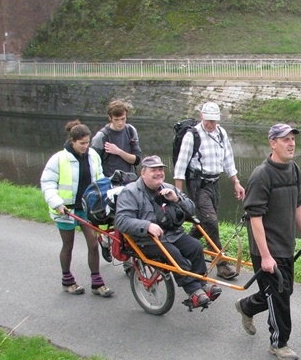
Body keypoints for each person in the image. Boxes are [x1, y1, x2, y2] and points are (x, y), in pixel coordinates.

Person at [235, 124, 301, 360]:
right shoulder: (262, 176)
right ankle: (279, 343)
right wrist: (266, 255)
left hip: (285, 243)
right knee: (279, 297)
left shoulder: (294, 169)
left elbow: (298, 205)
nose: (291, 143)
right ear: (272, 143)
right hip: (267, 248)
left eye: (293, 139)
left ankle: (247, 306)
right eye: (285, 140)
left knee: (282, 292)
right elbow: (255, 218)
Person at [114, 155, 221, 309]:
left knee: (195, 246)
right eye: (153, 170)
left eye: (161, 169)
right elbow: (121, 221)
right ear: (143, 173)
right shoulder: (130, 192)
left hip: (172, 234)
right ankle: (194, 291)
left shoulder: (167, 188)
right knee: (174, 255)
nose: (158, 173)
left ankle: (202, 285)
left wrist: (177, 199)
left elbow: (191, 210)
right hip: (146, 240)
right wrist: (147, 226)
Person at [41, 119, 114, 297]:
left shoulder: (93, 156)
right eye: (82, 143)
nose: (85, 146)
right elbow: (47, 183)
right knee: (68, 245)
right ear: (72, 141)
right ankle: (67, 280)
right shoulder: (58, 159)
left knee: (93, 244)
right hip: (65, 210)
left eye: (87, 143)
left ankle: (97, 282)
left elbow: (100, 179)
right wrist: (57, 203)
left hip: (86, 208)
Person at [173, 101, 245, 280]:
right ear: (201, 116)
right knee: (211, 221)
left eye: (214, 120)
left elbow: (228, 159)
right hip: (198, 184)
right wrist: (178, 196)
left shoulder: (221, 133)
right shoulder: (192, 135)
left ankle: (182, 248)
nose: (211, 124)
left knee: (203, 223)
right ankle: (221, 264)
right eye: (208, 120)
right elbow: (180, 167)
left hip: (214, 184)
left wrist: (236, 182)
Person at [91, 99, 143, 264]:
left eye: (123, 119)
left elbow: (137, 160)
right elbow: (93, 162)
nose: (121, 123)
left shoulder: (130, 131)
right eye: (117, 120)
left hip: (130, 183)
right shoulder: (101, 137)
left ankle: (127, 257)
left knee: (132, 218)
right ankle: (112, 247)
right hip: (110, 186)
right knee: (119, 220)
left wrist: (119, 152)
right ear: (110, 118)